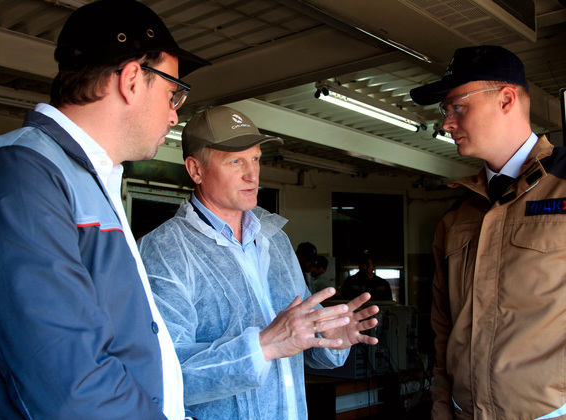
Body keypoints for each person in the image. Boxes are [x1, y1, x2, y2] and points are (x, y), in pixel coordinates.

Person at [0, 1, 209, 419]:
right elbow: (68, 383)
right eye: (172, 93)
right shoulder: (19, 172)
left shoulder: (87, 178)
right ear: (131, 80)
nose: (174, 114)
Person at [138, 106, 380, 419]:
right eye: (235, 161)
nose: (252, 174)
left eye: (255, 159)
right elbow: (161, 374)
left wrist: (332, 337)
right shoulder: (164, 251)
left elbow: (300, 339)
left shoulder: (274, 240)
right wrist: (263, 346)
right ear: (195, 170)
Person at [410, 45, 566, 419]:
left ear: (506, 100)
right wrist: (442, 410)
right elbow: (443, 332)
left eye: (457, 107)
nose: (447, 123)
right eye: (445, 111)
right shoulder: (457, 217)